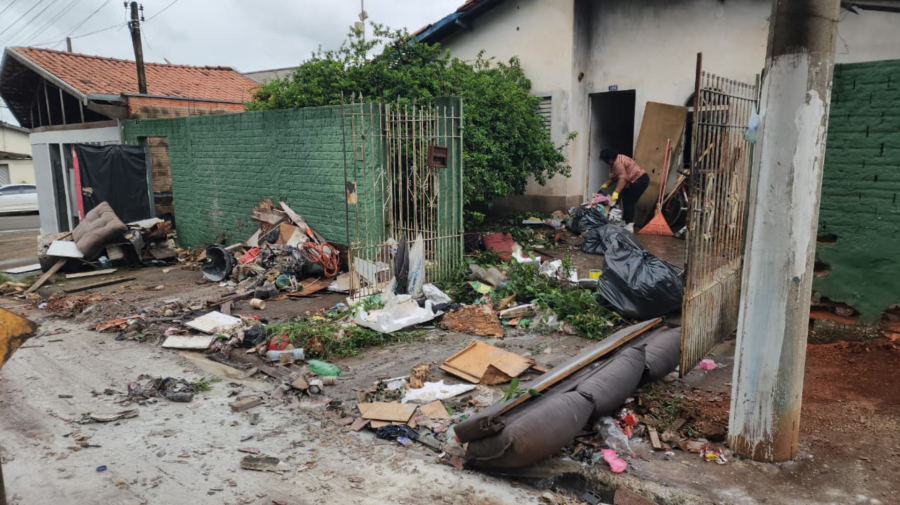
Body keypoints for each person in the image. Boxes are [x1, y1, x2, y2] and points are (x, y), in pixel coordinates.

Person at [599, 148, 649, 233]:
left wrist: (616, 192)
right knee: (626, 201)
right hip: (633, 181)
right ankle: (624, 223)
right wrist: (607, 184)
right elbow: (616, 176)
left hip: (639, 181)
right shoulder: (616, 161)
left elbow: (622, 178)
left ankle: (629, 226)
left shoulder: (618, 163)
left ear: (609, 159)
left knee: (629, 202)